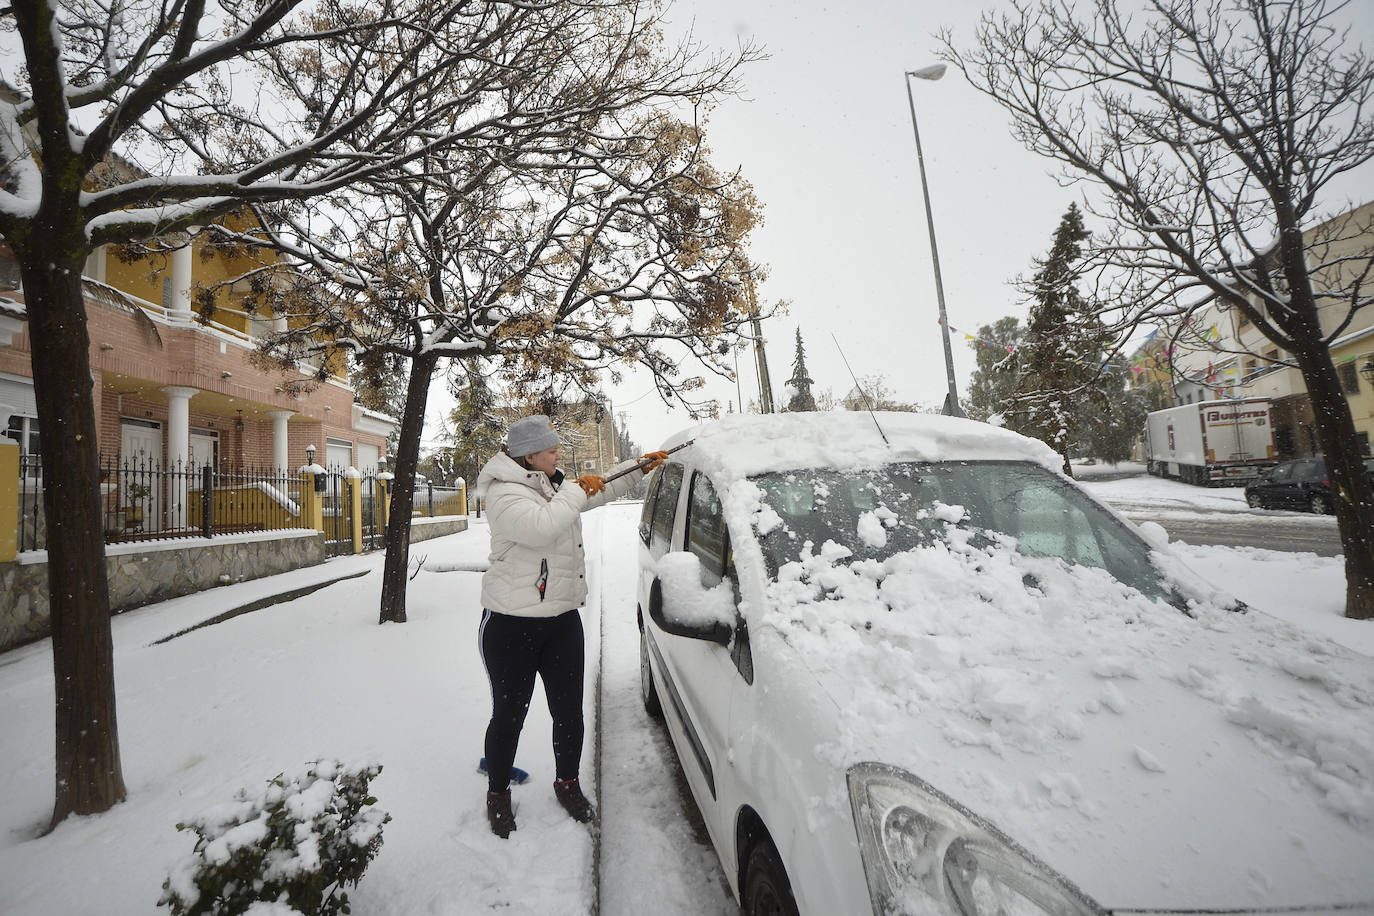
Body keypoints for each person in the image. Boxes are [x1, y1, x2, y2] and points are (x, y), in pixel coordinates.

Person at [474, 413, 668, 838]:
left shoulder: (552, 486)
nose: (558, 453)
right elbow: (543, 527)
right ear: (528, 455)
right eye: (551, 449)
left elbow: (592, 493)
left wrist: (636, 468)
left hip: (561, 620)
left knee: (568, 713)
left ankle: (567, 783)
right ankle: (498, 793)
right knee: (509, 716)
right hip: (511, 627)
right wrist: (577, 490)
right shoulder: (504, 495)